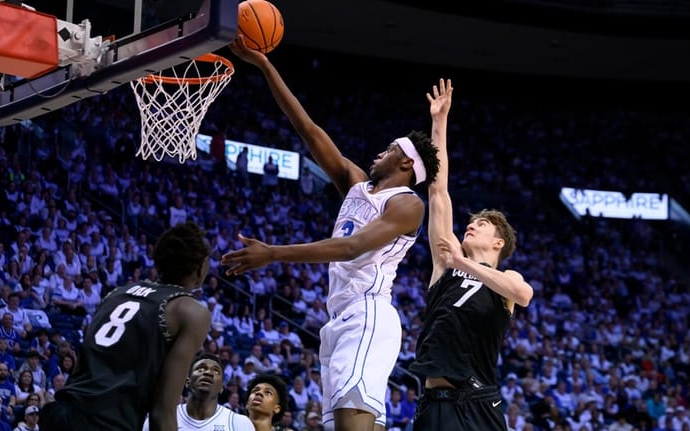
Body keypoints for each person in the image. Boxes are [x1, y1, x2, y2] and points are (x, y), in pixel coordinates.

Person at [225, 37, 440, 431]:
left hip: (367, 315)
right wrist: (264, 66)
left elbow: (353, 247)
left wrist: (272, 253)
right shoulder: (357, 184)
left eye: (390, 148)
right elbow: (307, 129)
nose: (380, 151)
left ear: (407, 162)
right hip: (338, 320)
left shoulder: (408, 204)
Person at [408, 79, 534, 430]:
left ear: (499, 244)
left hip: (480, 402)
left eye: (482, 224)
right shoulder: (445, 261)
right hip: (437, 402)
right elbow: (437, 192)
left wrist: (464, 263)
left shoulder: (506, 280)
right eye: (472, 222)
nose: (472, 225)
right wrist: (439, 123)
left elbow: (523, 296)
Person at [39, 222, 212, 431]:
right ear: (201, 266)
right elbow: (162, 411)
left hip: (62, 412)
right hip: (106, 423)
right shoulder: (191, 312)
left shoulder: (117, 293)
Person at [141, 353, 254, 431]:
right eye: (201, 369)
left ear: (221, 387)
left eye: (216, 371)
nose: (208, 373)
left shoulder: (240, 423)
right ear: (187, 382)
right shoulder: (161, 418)